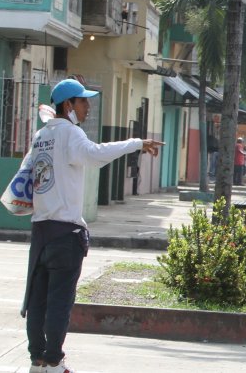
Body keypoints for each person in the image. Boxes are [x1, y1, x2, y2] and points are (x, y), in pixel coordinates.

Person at [23, 79, 162, 373]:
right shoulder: (70, 134)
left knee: (37, 300)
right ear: (68, 105)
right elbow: (95, 154)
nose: (88, 107)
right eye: (83, 101)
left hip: (41, 230)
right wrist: (136, 143)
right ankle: (54, 361)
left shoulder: (41, 135)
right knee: (59, 301)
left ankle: (37, 360)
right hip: (65, 233)